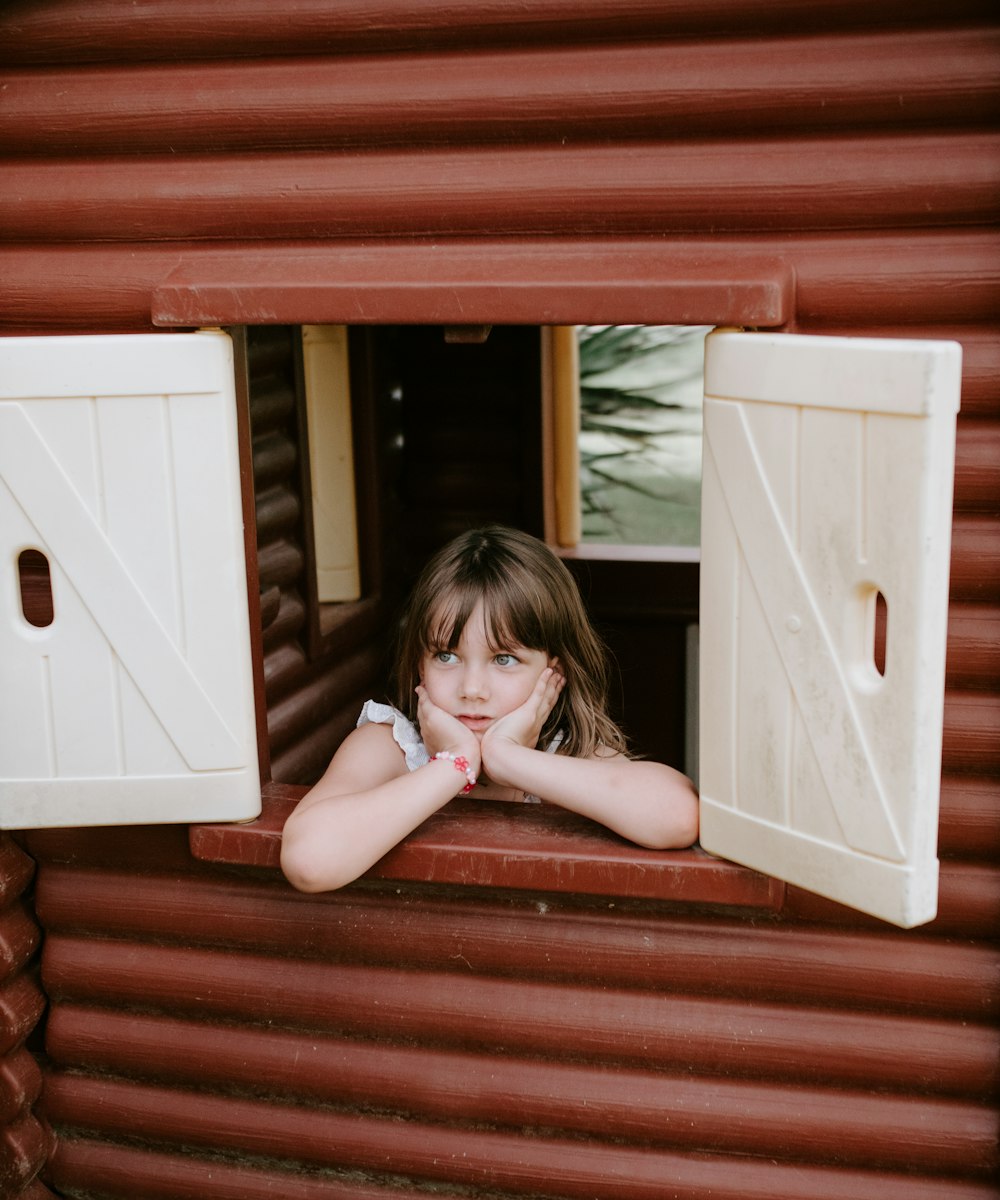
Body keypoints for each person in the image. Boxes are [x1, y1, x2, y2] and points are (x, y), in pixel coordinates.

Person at [280, 526, 699, 892]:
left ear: (554, 669)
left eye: (504, 659)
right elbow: (310, 862)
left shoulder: (567, 751)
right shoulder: (389, 747)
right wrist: (455, 764)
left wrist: (507, 757)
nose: (473, 689)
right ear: (418, 664)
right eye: (446, 655)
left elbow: (678, 817)